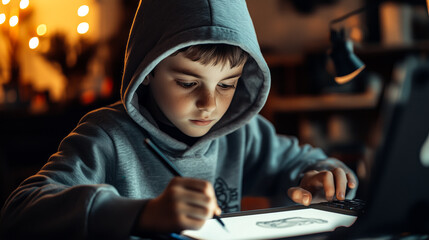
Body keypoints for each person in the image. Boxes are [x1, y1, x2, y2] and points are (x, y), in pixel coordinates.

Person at [0, 0, 357, 239]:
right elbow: (19, 212)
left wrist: (323, 175)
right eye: (187, 82)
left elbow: (305, 164)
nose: (209, 104)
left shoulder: (242, 133)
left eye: (228, 84)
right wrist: (142, 214)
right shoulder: (105, 137)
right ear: (149, 70)